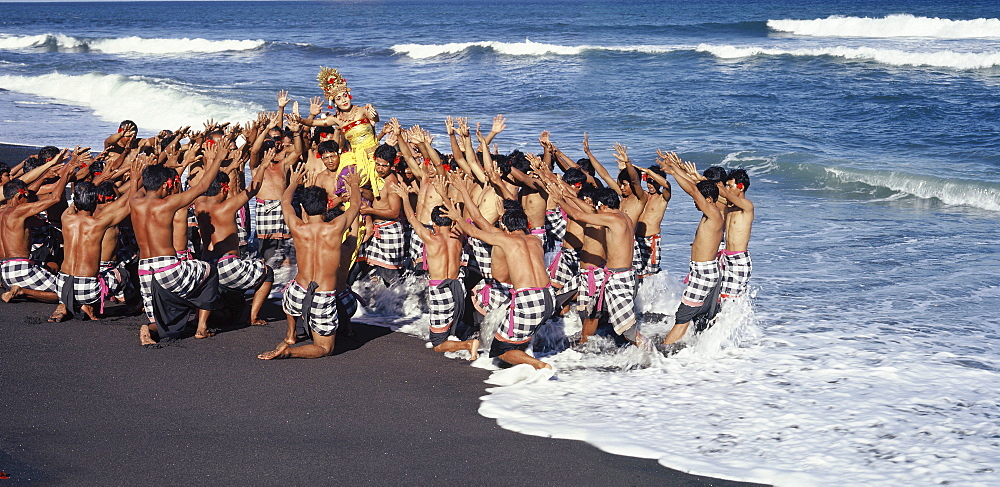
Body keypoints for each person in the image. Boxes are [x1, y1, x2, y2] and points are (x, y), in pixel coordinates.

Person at [257, 166, 362, 360]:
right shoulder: (335, 228)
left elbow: (285, 202)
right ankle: (289, 351)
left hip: (298, 289)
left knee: (288, 298)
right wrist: (354, 185)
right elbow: (355, 206)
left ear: (304, 208)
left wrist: (294, 183)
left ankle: (291, 333)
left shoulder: (298, 227)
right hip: (322, 294)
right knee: (324, 348)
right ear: (326, 206)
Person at [448, 189, 554, 370]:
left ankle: (540, 365)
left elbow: (475, 230)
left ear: (505, 227)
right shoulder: (536, 240)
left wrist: (458, 217)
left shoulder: (506, 240)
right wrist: (503, 214)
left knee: (500, 350)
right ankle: (526, 362)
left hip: (528, 299)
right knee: (518, 338)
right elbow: (487, 226)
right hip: (548, 296)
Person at [132, 144, 224, 345]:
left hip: (144, 270)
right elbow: (202, 187)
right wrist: (218, 159)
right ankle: (201, 327)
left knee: (160, 322)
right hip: (168, 268)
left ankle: (148, 329)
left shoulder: (135, 201)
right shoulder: (167, 204)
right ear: (165, 185)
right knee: (211, 271)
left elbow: (142, 187)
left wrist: (142, 174)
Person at [391, 180, 480, 360]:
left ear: (433, 222)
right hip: (458, 287)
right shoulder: (458, 235)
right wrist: (446, 196)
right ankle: (460, 340)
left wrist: (405, 198)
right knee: (449, 326)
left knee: (438, 343)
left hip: (440, 291)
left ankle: (468, 344)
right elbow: (459, 217)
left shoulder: (431, 239)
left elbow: (411, 218)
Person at [657, 150, 725, 346]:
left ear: (709, 200)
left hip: (704, 273)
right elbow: (696, 189)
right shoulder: (711, 212)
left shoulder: (713, 213)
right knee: (698, 314)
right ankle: (698, 346)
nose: (696, 203)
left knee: (683, 315)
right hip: (703, 270)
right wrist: (676, 169)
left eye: (700, 201)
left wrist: (673, 170)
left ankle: (664, 351)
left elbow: (695, 191)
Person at [193, 161, 273, 327]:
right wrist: (263, 166)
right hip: (228, 266)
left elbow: (202, 184)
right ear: (224, 188)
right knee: (268, 272)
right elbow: (254, 188)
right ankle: (253, 316)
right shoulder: (227, 207)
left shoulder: (199, 204)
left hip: (207, 266)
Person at [49, 176, 135, 321]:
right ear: (95, 202)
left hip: (62, 287)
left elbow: (75, 203)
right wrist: (136, 179)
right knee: (123, 273)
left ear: (75, 203)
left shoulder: (66, 217)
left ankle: (66, 304)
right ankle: (89, 305)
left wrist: (84, 191)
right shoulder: (98, 224)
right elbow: (129, 205)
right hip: (87, 290)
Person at [0, 151, 74, 303]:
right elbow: (55, 198)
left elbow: (31, 191)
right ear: (19, 196)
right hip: (21, 269)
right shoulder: (18, 211)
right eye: (26, 196)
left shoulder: (2, 212)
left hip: (5, 271)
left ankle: (19, 288)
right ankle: (22, 290)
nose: (29, 200)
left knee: (52, 266)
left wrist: (44, 177)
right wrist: (67, 174)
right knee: (68, 294)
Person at [718, 169, 754, 300]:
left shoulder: (747, 206)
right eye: (726, 185)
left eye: (730, 185)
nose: (728, 188)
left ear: (741, 187)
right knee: (721, 299)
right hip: (727, 257)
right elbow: (710, 191)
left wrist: (721, 189)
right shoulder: (729, 205)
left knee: (731, 300)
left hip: (739, 260)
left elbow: (725, 194)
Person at [633, 165, 671, 278]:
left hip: (652, 240)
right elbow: (632, 182)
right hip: (637, 238)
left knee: (652, 273)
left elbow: (667, 185)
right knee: (636, 272)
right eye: (648, 181)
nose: (650, 184)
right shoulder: (643, 195)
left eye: (654, 181)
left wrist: (649, 172)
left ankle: (656, 295)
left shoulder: (663, 198)